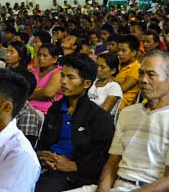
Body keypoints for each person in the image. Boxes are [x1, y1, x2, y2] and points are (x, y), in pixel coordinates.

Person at [66, 51, 169, 192]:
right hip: (117, 186)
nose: (143, 80)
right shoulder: (128, 113)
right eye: (141, 73)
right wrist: (102, 190)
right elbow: (113, 162)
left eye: (151, 74)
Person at [36, 54, 115, 192]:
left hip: (74, 175)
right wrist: (42, 155)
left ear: (86, 84)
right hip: (46, 166)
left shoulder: (98, 117)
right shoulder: (55, 109)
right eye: (62, 76)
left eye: (70, 77)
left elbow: (103, 160)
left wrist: (73, 166)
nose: (63, 81)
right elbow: (43, 142)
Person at [30, 43, 63, 115]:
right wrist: (42, 91)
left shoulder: (59, 72)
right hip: (28, 109)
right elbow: (24, 90)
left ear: (54, 59)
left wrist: (29, 95)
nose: (41, 58)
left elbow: (48, 93)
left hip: (46, 112)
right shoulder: (34, 71)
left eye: (45, 56)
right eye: (39, 55)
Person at [114, 35, 140, 111]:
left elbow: (123, 87)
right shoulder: (117, 63)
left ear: (133, 52)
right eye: (119, 50)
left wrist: (108, 78)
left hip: (121, 106)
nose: (120, 53)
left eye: (123, 51)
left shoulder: (137, 67)